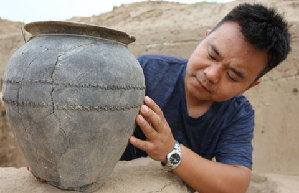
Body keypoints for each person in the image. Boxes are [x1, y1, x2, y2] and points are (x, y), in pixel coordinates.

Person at [120, 3, 291, 193]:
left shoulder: (237, 114)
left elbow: (237, 183)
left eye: (232, 76)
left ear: (250, 86)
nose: (211, 74)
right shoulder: (147, 71)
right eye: (212, 55)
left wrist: (170, 150)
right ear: (205, 38)